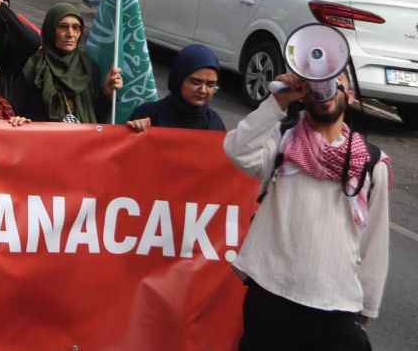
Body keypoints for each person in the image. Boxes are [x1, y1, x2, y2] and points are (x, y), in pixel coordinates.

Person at [224, 70, 391, 350]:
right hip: (272, 295)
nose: (327, 89)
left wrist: (367, 309)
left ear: (349, 96)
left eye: (337, 83)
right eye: (317, 84)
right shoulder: (283, 140)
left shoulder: (373, 164)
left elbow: (375, 244)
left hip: (337, 307)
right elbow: (237, 149)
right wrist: (277, 102)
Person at [20, 4, 121, 123]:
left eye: (76, 27)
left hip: (83, 139)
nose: (70, 34)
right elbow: (17, 108)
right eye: (63, 26)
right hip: (44, 138)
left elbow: (97, 114)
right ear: (50, 29)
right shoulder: (34, 66)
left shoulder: (88, 67)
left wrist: (106, 93)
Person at [126, 44, 226, 132]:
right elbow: (125, 149)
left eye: (210, 85)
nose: (203, 90)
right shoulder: (148, 114)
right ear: (178, 79)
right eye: (196, 82)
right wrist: (134, 131)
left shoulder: (215, 123)